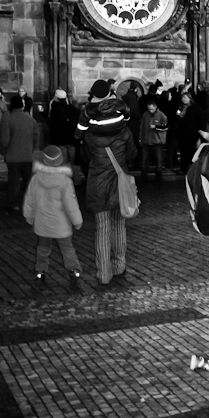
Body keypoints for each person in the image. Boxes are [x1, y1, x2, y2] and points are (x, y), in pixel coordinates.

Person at [75, 79, 136, 286]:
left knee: (102, 228)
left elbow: (83, 156)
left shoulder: (89, 136)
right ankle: (119, 264)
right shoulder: (125, 132)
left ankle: (104, 273)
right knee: (119, 224)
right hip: (119, 184)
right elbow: (132, 155)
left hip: (98, 184)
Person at [23, 145, 83, 288]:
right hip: (61, 225)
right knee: (67, 248)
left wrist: (29, 216)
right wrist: (77, 221)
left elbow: (30, 200)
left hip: (43, 223)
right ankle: (73, 270)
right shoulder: (65, 181)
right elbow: (71, 204)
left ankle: (40, 270)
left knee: (43, 248)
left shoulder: (36, 179)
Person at [0, 95, 40, 213]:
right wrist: (33, 149)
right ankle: (30, 204)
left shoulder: (8, 119)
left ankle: (13, 204)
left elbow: (5, 139)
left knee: (14, 182)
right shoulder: (30, 119)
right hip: (27, 155)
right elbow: (36, 135)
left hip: (13, 156)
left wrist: (3, 151)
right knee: (28, 181)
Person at [48, 89, 81, 183]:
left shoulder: (55, 110)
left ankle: (65, 181)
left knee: (63, 162)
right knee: (74, 162)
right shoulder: (73, 109)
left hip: (60, 140)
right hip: (72, 139)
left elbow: (52, 125)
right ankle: (76, 180)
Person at [174, 90, 206, 174]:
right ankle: (184, 169)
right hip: (182, 134)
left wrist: (199, 134)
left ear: (190, 98)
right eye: (182, 97)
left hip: (192, 134)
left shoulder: (195, 108)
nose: (183, 99)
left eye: (185, 97)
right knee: (183, 152)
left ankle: (192, 169)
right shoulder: (181, 107)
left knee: (191, 152)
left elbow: (201, 121)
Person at [139, 98, 168, 182]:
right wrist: (141, 138)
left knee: (158, 160)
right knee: (145, 160)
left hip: (157, 141)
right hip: (147, 141)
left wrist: (156, 127)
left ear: (155, 107)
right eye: (149, 109)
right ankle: (144, 177)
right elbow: (142, 127)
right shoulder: (145, 115)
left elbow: (166, 126)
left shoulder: (161, 115)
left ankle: (158, 177)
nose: (150, 111)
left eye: (151, 109)